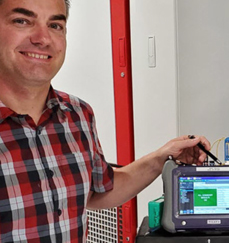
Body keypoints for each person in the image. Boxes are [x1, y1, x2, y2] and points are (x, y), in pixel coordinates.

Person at [0, 0, 211, 242]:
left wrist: (164, 155)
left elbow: (100, 192)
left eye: (55, 25)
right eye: (22, 21)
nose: (42, 38)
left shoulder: (77, 114)